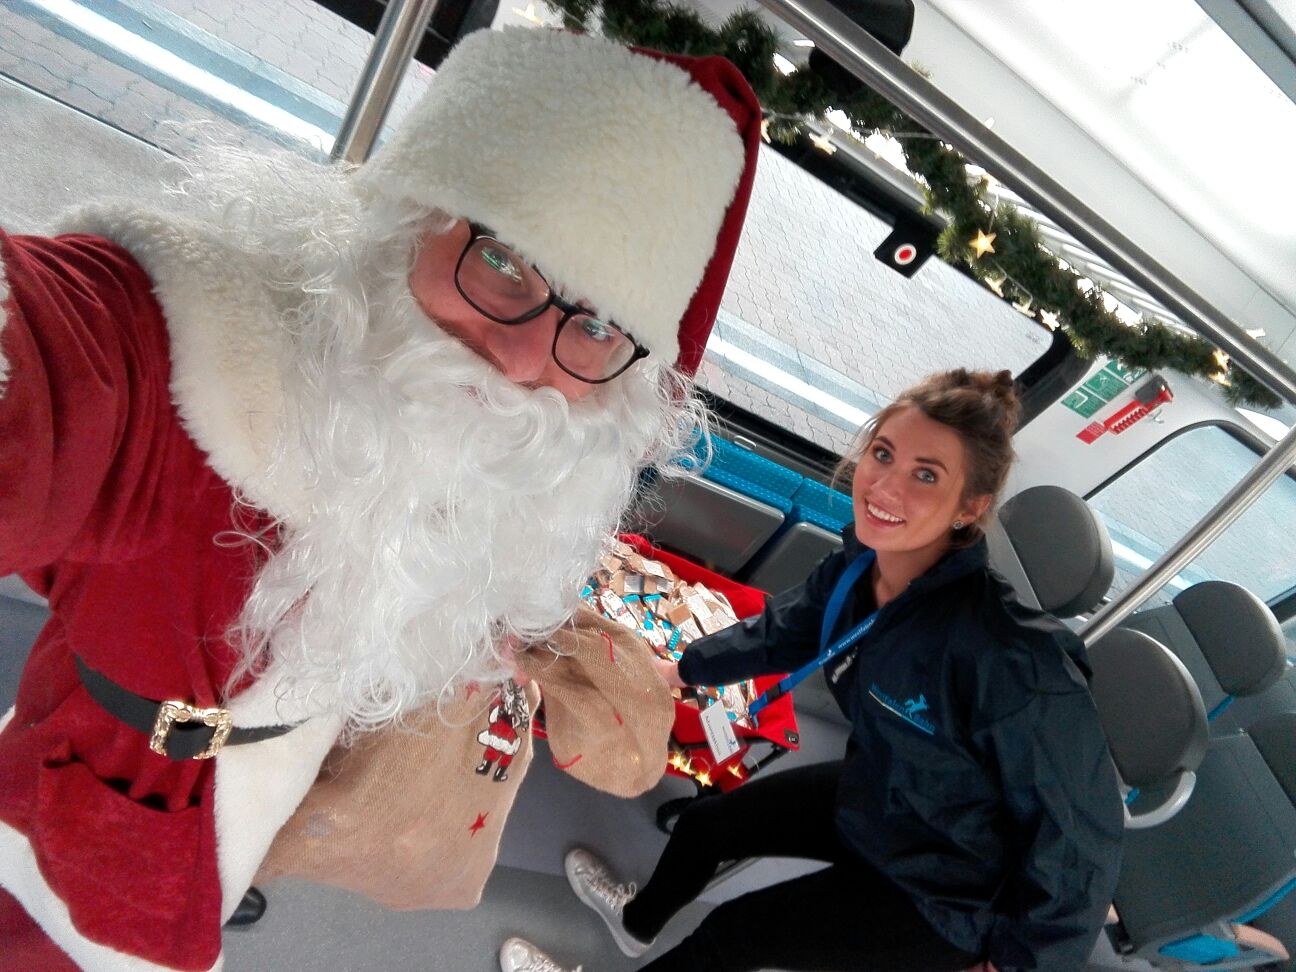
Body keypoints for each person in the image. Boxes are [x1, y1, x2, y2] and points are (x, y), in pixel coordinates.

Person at [0, 26, 762, 971]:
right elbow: (48, 355)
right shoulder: (176, 356)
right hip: (87, 829)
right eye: (505, 261)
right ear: (407, 215)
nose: (520, 364)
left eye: (598, 325)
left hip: (262, 801)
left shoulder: (514, 474)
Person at [505, 369, 1124, 972]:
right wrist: (680, 670)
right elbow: (787, 629)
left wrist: (1016, 961)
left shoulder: (1014, 660)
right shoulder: (863, 566)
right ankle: (635, 926)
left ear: (970, 508)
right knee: (707, 825)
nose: (884, 487)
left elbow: (1080, 840)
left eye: (926, 475)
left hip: (951, 893)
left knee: (735, 936)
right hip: (883, 795)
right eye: (883, 453)